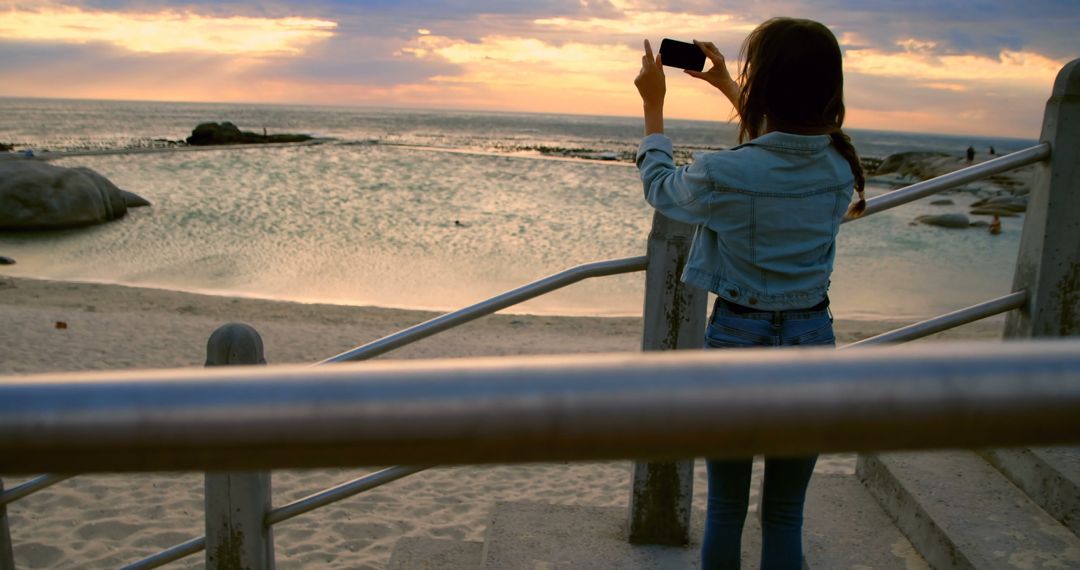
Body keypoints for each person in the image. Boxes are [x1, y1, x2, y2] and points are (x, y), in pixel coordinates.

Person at [634, 18, 864, 569]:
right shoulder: (840, 167)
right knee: (786, 512)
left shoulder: (726, 172)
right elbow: (785, 146)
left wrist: (653, 108)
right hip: (813, 336)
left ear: (763, 86)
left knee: (727, 506)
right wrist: (724, 87)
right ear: (829, 88)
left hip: (738, 334)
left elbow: (664, 192)